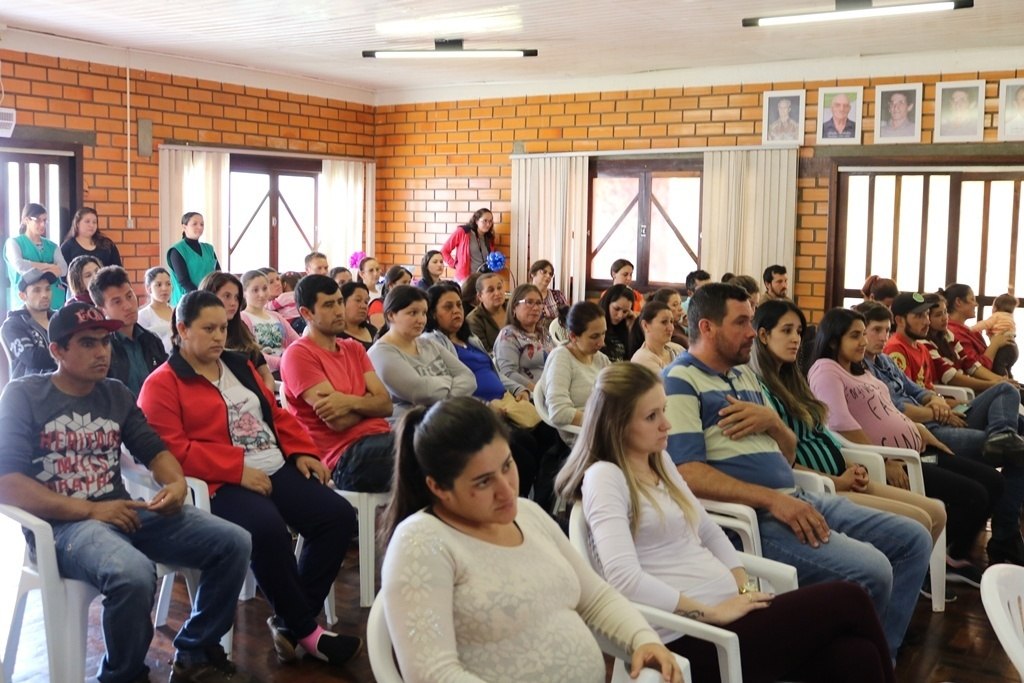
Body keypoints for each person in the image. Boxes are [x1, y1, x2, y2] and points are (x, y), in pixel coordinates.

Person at [556, 363, 896, 683]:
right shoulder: (605, 477)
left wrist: (742, 588)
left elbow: (707, 529)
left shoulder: (658, 461)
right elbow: (623, 579)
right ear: (617, 424)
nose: (666, 424)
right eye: (651, 416)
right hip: (689, 637)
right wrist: (710, 613)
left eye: (663, 411)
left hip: (730, 616)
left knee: (856, 656)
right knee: (849, 598)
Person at [663, 283, 931, 657]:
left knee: (914, 539)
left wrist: (773, 423)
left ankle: (880, 655)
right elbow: (687, 474)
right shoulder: (679, 380)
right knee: (874, 570)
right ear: (706, 327)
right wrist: (773, 500)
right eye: (741, 323)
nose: (750, 333)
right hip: (754, 519)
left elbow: (787, 453)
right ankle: (852, 660)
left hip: (797, 496)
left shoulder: (744, 376)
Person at [0, 301, 254, 683]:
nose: (102, 352)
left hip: (123, 511)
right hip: (61, 528)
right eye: (87, 343)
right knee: (134, 573)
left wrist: (176, 483)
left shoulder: (115, 394)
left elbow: (154, 451)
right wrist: (89, 511)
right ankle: (123, 675)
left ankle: (196, 651)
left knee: (234, 541)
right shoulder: (24, 395)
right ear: (57, 351)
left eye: (105, 342)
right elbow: (8, 483)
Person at [379, 397, 682, 683]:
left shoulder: (527, 513)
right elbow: (434, 674)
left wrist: (642, 638)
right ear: (439, 488)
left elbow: (596, 599)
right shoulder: (421, 542)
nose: (506, 490)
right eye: (484, 481)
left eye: (507, 465)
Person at [138, 291, 362, 668]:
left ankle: (292, 625)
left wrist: (303, 451)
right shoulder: (163, 383)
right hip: (218, 483)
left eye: (223, 328)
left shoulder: (238, 365)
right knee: (267, 528)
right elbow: (172, 451)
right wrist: (236, 470)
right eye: (208, 329)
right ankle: (309, 632)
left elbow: (275, 415)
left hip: (274, 464)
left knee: (337, 515)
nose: (218, 337)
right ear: (181, 329)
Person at [806, 307, 992, 587]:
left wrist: (921, 431)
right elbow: (840, 425)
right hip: (901, 463)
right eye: (856, 336)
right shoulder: (825, 370)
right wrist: (885, 461)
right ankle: (935, 564)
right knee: (975, 493)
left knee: (992, 481)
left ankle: (949, 554)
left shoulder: (863, 369)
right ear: (833, 340)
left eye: (863, 335)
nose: (863, 342)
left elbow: (890, 408)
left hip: (918, 449)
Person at [857, 300, 1023, 569]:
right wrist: (936, 410)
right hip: (929, 431)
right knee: (1016, 450)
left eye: (884, 330)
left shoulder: (888, 359)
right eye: (874, 331)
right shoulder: (874, 362)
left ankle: (1001, 435)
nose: (881, 337)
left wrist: (933, 400)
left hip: (941, 414)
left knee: (1008, 396)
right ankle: (1002, 538)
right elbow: (895, 408)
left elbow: (917, 389)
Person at [422, 282, 547, 497]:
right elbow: (447, 388)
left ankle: (538, 503)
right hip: (476, 412)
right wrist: (485, 407)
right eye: (448, 307)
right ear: (432, 313)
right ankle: (512, 506)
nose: (456, 311)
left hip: (506, 402)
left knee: (548, 431)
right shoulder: (432, 342)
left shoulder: (470, 339)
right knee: (521, 449)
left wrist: (518, 390)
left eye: (459, 306)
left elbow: (496, 373)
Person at [280, 275, 394, 493]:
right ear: (306, 313)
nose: (339, 310)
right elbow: (339, 421)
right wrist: (369, 403)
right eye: (329, 305)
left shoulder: (354, 348)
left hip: (380, 440)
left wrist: (348, 401)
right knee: (422, 450)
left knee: (441, 440)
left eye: (340, 302)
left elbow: (386, 405)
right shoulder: (298, 355)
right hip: (345, 458)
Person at [367, 285, 476, 421]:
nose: (421, 320)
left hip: (445, 418)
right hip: (410, 426)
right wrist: (450, 381)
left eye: (424, 313)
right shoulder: (381, 353)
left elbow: (469, 378)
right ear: (391, 315)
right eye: (413, 313)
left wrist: (436, 389)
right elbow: (420, 392)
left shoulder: (428, 343)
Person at [535, 301, 612, 448]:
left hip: (603, 429)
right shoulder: (561, 358)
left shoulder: (600, 359)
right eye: (594, 336)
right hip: (584, 439)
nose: (602, 343)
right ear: (573, 336)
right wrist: (601, 421)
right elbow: (559, 412)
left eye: (603, 334)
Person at [90, 266, 168, 397]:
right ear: (102, 310)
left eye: (129, 296)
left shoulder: (152, 341)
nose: (128, 305)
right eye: (117, 302)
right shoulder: (101, 349)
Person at [199, 271, 275, 391]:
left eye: (236, 297)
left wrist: (265, 399)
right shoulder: (199, 334)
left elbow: (265, 374)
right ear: (209, 296)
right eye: (227, 296)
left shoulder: (241, 328)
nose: (233, 303)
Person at [493, 283, 555, 396]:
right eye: (529, 302)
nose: (536, 308)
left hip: (553, 390)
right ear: (514, 308)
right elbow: (508, 373)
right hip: (530, 396)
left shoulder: (543, 332)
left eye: (539, 303)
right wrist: (538, 392)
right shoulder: (508, 335)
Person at [4, 203, 67, 310]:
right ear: (26, 220)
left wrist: (33, 267)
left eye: (45, 220)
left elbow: (64, 269)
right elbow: (20, 266)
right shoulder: (13, 243)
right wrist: (49, 266)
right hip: (25, 301)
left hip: (53, 301)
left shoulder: (52, 246)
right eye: (37, 220)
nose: (42, 224)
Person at [240, 269, 300, 374]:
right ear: (244, 293)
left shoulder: (276, 316)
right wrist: (283, 362)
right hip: (264, 371)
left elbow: (296, 341)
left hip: (287, 367)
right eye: (255, 290)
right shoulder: (242, 318)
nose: (262, 294)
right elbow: (253, 352)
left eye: (265, 288)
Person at [1, 268, 57, 379]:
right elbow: (33, 358)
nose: (44, 295)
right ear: (22, 296)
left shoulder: (59, 318)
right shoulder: (13, 325)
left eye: (47, 289)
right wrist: (71, 354)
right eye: (37, 290)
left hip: (66, 385)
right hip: (31, 390)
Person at [167, 212, 220, 306]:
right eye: (194, 224)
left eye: (202, 224)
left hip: (209, 300)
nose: (199, 227)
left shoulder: (209, 249)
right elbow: (184, 281)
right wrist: (202, 297)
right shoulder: (177, 250)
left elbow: (218, 274)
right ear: (184, 227)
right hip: (186, 302)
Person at [441, 207, 495, 283]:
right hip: (465, 280)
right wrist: (455, 264)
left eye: (490, 221)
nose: (488, 224)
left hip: (483, 280)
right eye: (485, 221)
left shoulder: (489, 237)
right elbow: (444, 251)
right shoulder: (463, 232)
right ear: (476, 221)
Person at [970, 292, 1018, 376]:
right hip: (1013, 348)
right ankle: (1011, 381)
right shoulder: (1010, 317)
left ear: (995, 308)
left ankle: (1004, 383)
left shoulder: (997, 315)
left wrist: (971, 329)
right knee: (1007, 368)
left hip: (1003, 348)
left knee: (997, 366)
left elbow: (985, 324)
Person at [630, 301, 684, 372]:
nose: (671, 328)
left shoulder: (676, 348)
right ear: (645, 326)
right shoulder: (641, 359)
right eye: (664, 322)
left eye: (671, 321)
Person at [465, 271, 507, 353]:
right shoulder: (474, 320)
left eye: (499, 288)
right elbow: (484, 352)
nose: (497, 293)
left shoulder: (513, 308)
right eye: (490, 290)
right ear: (480, 296)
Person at [137, 266, 175, 353]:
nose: (164, 288)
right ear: (149, 289)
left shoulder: (176, 311)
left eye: (168, 284)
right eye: (158, 285)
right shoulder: (143, 315)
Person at [598, 284, 636, 362]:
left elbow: (631, 358)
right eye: (616, 309)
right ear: (607, 303)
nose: (620, 315)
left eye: (625, 311)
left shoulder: (624, 327)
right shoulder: (594, 326)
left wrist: (632, 328)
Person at [337, 280, 378, 351]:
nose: (364, 306)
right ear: (343, 302)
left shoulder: (373, 330)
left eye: (366, 302)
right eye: (358, 300)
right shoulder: (335, 336)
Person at [528, 258, 569, 325]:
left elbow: (568, 317)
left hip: (557, 333)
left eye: (550, 274)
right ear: (533, 274)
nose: (548, 276)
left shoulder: (558, 295)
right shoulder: (524, 295)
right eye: (544, 272)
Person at [359, 256, 386, 329]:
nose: (375, 273)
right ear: (362, 274)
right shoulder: (360, 294)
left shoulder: (383, 291)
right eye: (371, 270)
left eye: (377, 269)